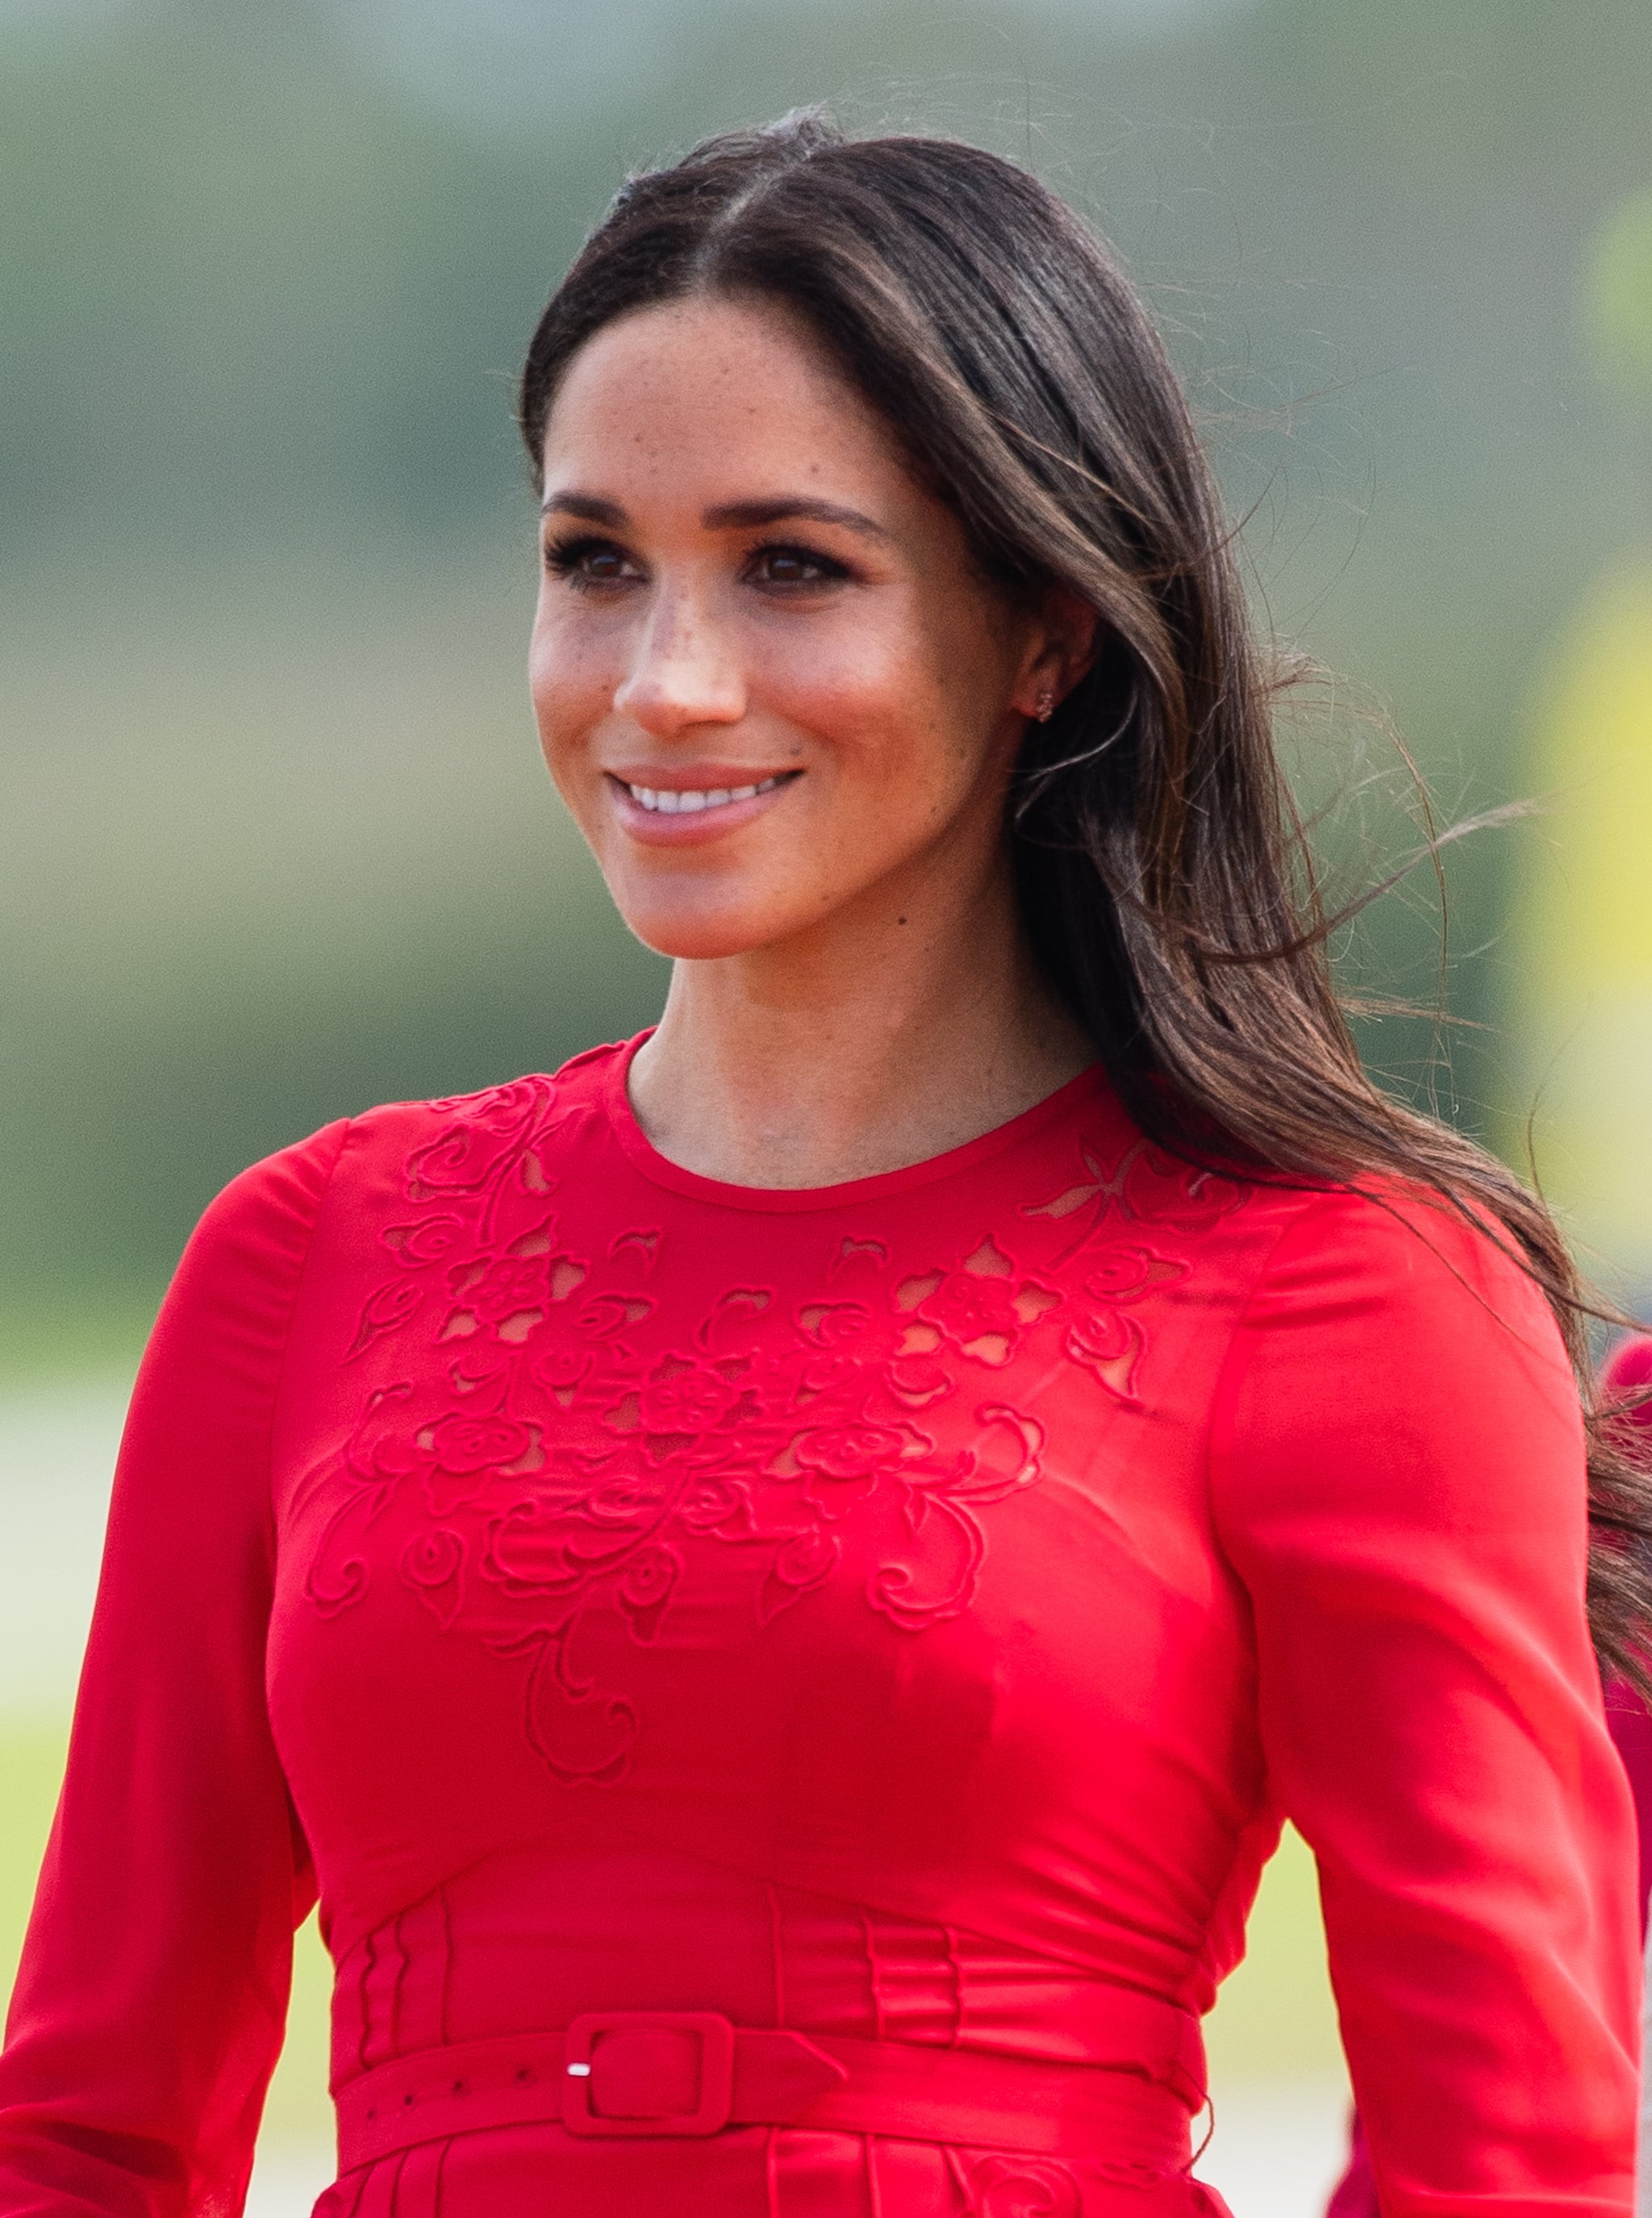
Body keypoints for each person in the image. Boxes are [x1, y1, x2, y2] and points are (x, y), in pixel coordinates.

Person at [0, 114, 1644, 2218]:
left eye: (792, 566)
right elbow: (86, 2140)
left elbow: (1507, 2163)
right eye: (596, 562)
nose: (665, 684)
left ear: (1043, 626)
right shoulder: (306, 1261)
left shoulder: (1341, 1292)